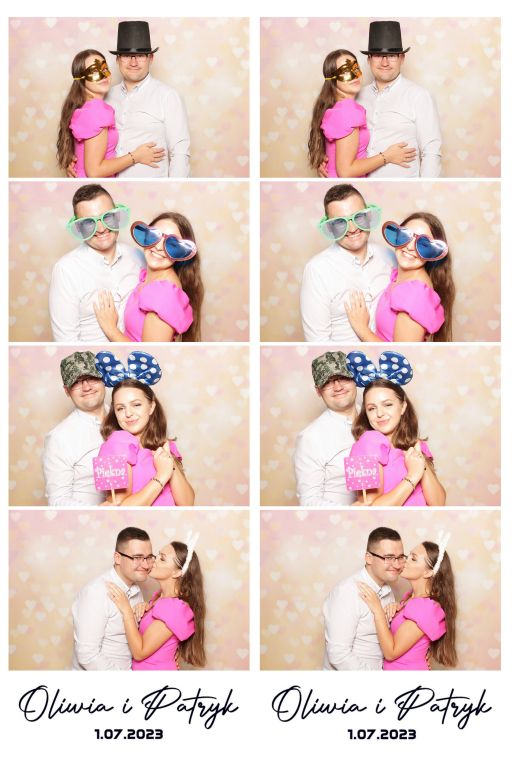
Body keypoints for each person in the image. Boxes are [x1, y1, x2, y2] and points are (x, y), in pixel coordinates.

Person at [67, 22, 190, 178]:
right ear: (118, 59)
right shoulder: (104, 96)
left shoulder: (167, 96)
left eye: (140, 56)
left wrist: (174, 188)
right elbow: (86, 135)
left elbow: (180, 152)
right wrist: (74, 160)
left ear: (151, 58)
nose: (133, 62)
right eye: (126, 56)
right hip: (109, 185)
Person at [95, 351, 195, 506]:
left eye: (136, 405)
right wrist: (162, 476)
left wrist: (170, 463)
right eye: (120, 408)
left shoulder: (166, 446)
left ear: (151, 406)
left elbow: (187, 504)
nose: (128, 413)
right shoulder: (116, 443)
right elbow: (120, 507)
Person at [347, 350, 446, 506]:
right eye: (371, 408)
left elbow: (439, 504)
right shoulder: (366, 443)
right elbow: (369, 508)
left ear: (403, 407)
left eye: (387, 405)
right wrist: (413, 476)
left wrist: (421, 463)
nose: (380, 413)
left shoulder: (417, 445)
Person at [49, 184, 144, 342]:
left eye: (107, 217)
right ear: (79, 228)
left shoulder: (138, 257)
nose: (101, 229)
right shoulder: (65, 270)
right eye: (89, 223)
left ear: (117, 216)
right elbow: (66, 342)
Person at [300, 184, 395, 342]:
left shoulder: (389, 256)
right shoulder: (317, 270)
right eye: (340, 222)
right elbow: (318, 342)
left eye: (358, 217)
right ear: (330, 228)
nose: (352, 229)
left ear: (368, 216)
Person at [93, 212, 204, 342]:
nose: (158, 247)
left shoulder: (164, 294)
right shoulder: (147, 278)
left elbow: (149, 353)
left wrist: (110, 329)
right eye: (154, 236)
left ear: (181, 253)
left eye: (172, 244)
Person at [345, 212, 455, 342]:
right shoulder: (398, 277)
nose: (409, 247)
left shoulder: (416, 294)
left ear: (432, 253)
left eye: (423, 244)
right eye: (405, 236)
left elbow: (400, 353)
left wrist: (362, 328)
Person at [308, 48, 416, 178]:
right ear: (332, 78)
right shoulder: (347, 111)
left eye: (355, 68)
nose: (354, 75)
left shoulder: (337, 108)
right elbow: (346, 171)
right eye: (345, 71)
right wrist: (387, 156)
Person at [56, 48, 164, 178]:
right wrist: (136, 156)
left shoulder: (84, 107)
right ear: (81, 78)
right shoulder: (96, 110)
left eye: (104, 69)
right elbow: (95, 172)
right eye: (94, 71)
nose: (103, 75)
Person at [359, 532, 457, 670]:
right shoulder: (410, 598)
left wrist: (377, 610)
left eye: (413, 559)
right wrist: (394, 610)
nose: (404, 561)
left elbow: (391, 653)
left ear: (428, 572)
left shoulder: (425, 607)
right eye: (408, 555)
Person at [107, 534, 206, 670]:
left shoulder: (174, 608)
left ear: (177, 572)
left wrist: (127, 611)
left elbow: (139, 653)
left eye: (162, 559)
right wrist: (144, 610)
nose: (153, 560)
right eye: (157, 555)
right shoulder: (159, 597)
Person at [358, 21, 442, 178]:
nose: (384, 62)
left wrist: (425, 188)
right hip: (361, 184)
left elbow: (431, 151)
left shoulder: (419, 96)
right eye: (378, 56)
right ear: (369, 59)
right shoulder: (358, 96)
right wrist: (326, 160)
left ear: (402, 58)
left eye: (391, 56)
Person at [323, 527, 405, 670]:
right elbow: (338, 654)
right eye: (389, 558)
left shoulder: (387, 590)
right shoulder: (348, 592)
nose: (397, 565)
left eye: (400, 557)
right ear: (369, 558)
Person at [72, 527, 153, 670]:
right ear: (117, 558)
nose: (146, 565)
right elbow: (87, 655)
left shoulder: (136, 589)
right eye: (137, 558)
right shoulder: (96, 592)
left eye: (148, 557)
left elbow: (136, 643)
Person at [294, 351, 357, 506]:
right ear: (318, 391)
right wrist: (352, 511)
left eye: (343, 378)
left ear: (354, 379)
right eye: (328, 382)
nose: (338, 387)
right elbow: (309, 500)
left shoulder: (377, 419)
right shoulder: (311, 437)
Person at [42, 351, 106, 506]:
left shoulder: (126, 419)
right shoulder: (59, 438)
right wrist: (100, 512)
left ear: (103, 379)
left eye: (91, 378)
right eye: (76, 382)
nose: (86, 387)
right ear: (67, 391)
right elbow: (58, 500)